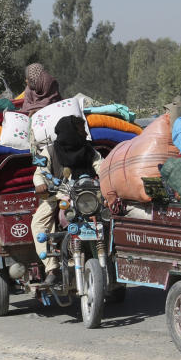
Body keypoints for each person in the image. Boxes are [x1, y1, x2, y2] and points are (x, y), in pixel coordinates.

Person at [31, 115, 104, 285]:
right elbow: (39, 172)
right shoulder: (49, 151)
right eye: (81, 129)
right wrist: (41, 185)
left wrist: (109, 178)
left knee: (113, 217)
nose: (86, 133)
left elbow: (102, 166)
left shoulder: (90, 150)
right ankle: (52, 267)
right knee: (38, 223)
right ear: (70, 132)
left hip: (89, 196)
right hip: (59, 196)